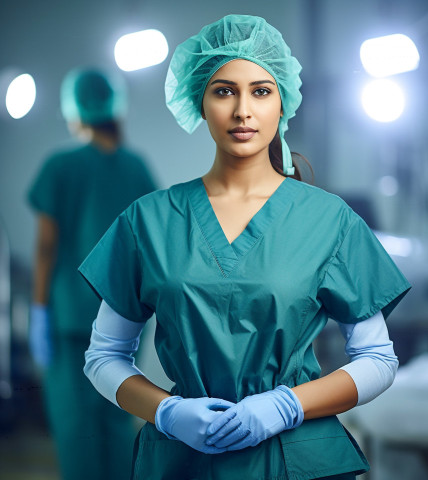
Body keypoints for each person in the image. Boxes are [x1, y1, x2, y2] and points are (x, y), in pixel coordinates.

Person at [80, 15, 411, 480]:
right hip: (182, 460)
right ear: (200, 100)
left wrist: (287, 405)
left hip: (297, 459)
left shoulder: (328, 220)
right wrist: (167, 412)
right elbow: (104, 356)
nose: (242, 111)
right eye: (223, 91)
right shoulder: (148, 221)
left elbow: (378, 359)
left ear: (282, 103)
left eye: (260, 91)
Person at [27, 68, 157, 480]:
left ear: (75, 110)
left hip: (70, 321)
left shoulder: (61, 166)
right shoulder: (136, 168)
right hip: (125, 319)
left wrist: (39, 309)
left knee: (77, 431)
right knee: (118, 423)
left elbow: (46, 246)